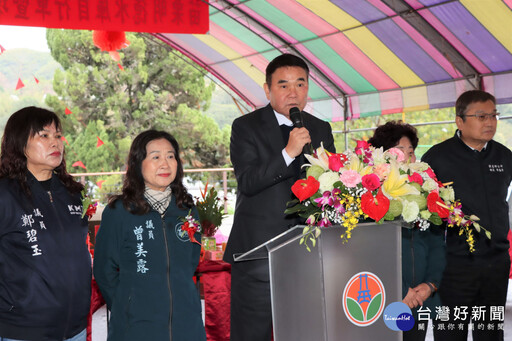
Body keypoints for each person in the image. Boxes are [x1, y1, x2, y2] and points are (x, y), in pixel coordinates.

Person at [223, 53, 335, 341]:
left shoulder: (320, 128)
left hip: (308, 251)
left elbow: (329, 186)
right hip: (258, 253)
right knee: (252, 334)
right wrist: (288, 153)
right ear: (267, 89)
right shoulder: (245, 126)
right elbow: (248, 182)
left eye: (300, 84)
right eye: (283, 85)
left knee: (305, 332)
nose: (293, 92)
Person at [93, 130, 206, 341]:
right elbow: (104, 269)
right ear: (138, 164)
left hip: (186, 323)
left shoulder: (187, 209)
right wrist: (126, 304)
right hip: (136, 326)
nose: (165, 164)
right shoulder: (119, 211)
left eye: (171, 156)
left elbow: (190, 261)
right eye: (155, 157)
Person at [422, 90, 512, 341]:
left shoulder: (504, 157)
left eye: (494, 115)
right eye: (481, 116)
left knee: (490, 331)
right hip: (452, 265)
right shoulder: (437, 158)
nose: (490, 122)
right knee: (450, 332)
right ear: (459, 121)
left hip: (496, 262)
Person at [0, 107, 91, 341]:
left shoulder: (74, 193)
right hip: (24, 329)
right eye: (44, 135)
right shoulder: (5, 194)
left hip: (75, 328)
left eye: (58, 136)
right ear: (20, 143)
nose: (56, 143)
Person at [369, 121, 446, 341]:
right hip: (385, 297)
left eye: (410, 152)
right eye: (399, 151)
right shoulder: (370, 197)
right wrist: (401, 290)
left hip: (419, 298)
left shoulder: (425, 194)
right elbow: (371, 253)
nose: (407, 158)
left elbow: (436, 245)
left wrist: (430, 284)